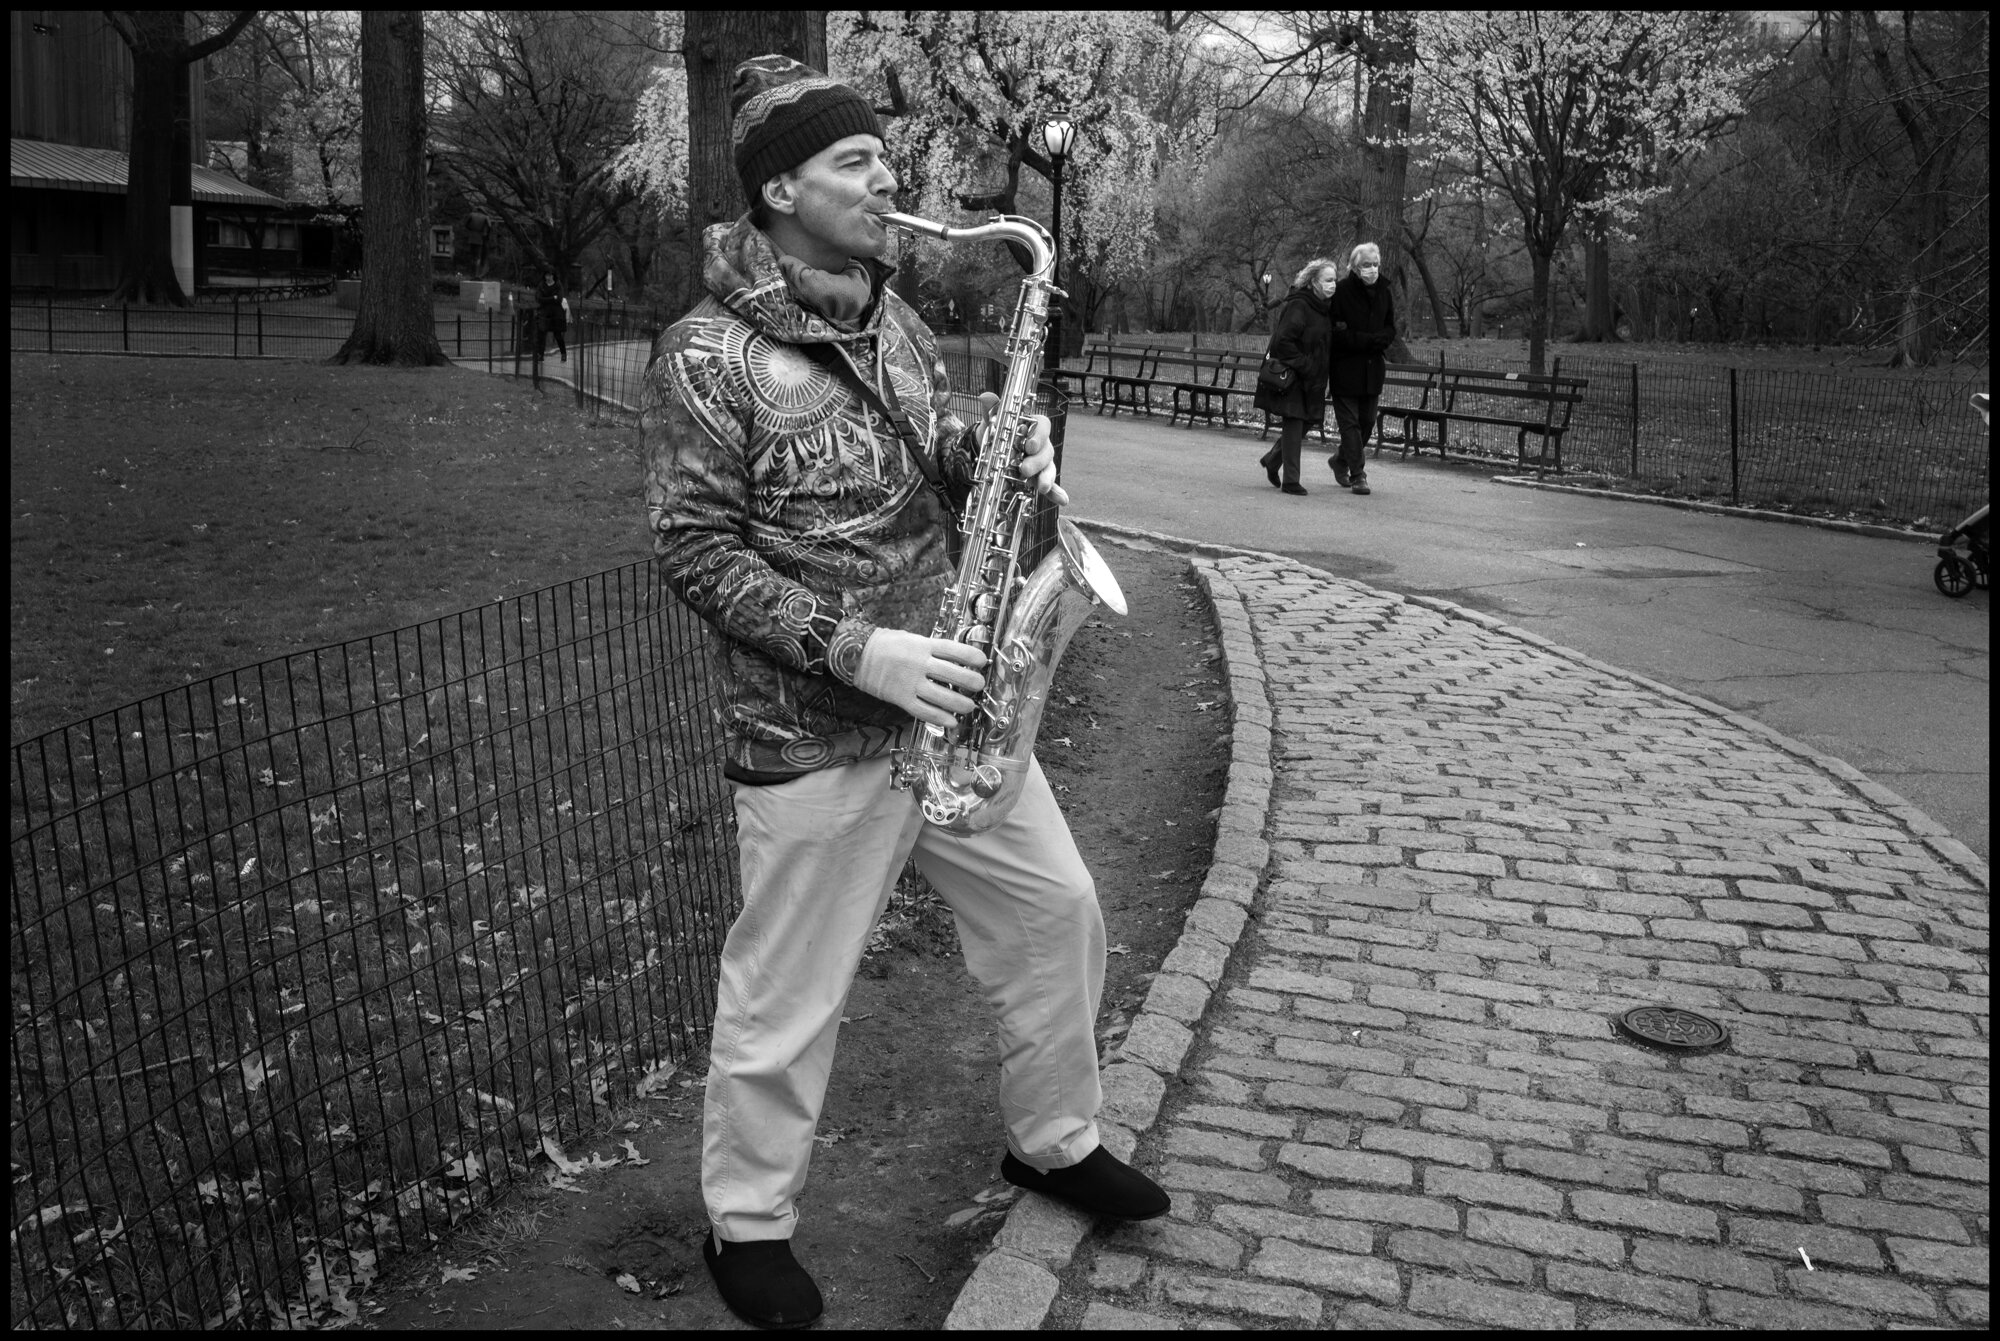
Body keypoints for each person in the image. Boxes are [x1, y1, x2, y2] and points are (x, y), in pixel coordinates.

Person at [639, 54, 1168, 1331]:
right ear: (779, 187)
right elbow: (692, 548)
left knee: (1057, 914)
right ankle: (748, 1225)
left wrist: (993, 445)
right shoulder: (702, 355)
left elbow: (924, 452)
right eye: (855, 164)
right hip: (813, 730)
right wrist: (854, 650)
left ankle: (1052, 1140)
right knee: (787, 995)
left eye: (881, 158)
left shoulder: (889, 315)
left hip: (953, 708)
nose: (889, 183)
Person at [1255, 259, 1337, 496]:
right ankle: (1291, 480)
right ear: (1313, 282)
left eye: (1334, 281)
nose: (1333, 285)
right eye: (1328, 280)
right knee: (1294, 421)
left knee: (1308, 420)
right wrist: (1306, 365)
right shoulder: (1299, 305)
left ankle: (1272, 459)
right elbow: (1283, 342)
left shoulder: (1324, 308)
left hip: (1314, 377)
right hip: (1295, 374)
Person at [1326, 242, 1396, 495]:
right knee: (1350, 425)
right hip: (1345, 369)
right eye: (1367, 265)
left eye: (1375, 264)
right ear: (1355, 267)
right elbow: (1336, 331)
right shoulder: (1342, 291)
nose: (1372, 270)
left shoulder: (1384, 291)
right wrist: (1367, 340)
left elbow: (1390, 326)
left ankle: (1340, 460)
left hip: (1373, 370)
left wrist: (1382, 339)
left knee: (1366, 422)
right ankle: (1358, 475)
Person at [536, 270, 568, 362]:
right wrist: (552, 298)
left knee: (558, 335)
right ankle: (540, 355)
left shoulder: (558, 285)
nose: (548, 277)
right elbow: (539, 298)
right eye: (547, 275)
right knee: (542, 334)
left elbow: (559, 298)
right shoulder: (541, 285)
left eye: (550, 275)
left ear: (553, 276)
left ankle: (563, 354)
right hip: (545, 312)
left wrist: (547, 299)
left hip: (556, 313)